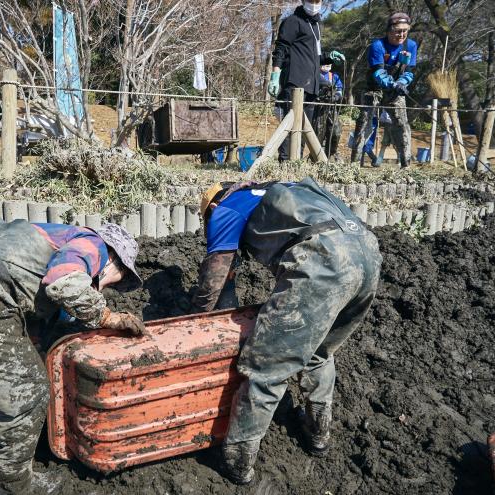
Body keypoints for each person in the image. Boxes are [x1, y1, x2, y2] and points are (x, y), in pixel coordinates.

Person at [0, 217, 145, 494]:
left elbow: (31, 318)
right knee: (30, 392)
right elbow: (64, 282)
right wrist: (108, 317)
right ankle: (16, 483)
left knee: (2, 386)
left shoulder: (46, 245)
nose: (108, 288)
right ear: (116, 260)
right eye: (121, 280)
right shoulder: (93, 244)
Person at [192, 178, 382, 484]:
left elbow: (215, 276)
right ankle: (317, 431)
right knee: (319, 351)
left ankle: (237, 462)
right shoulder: (275, 190)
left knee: (267, 366)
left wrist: (198, 321)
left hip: (323, 259)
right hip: (367, 252)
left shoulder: (224, 210)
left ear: (212, 207)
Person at [268, 1, 343, 161]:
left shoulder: (316, 25)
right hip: (294, 83)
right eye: (311, 0)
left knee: (304, 130)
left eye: (318, 1)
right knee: (289, 129)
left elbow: (312, 57)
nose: (314, 4)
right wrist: (275, 75)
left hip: (312, 86)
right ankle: (285, 166)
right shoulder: (292, 21)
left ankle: (296, 165)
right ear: (303, 1)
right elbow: (281, 48)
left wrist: (328, 57)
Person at [351, 12, 417, 168]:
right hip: (374, 87)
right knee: (365, 121)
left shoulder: (411, 45)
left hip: (395, 90)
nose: (401, 34)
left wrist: (402, 82)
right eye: (398, 31)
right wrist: (392, 83)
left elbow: (410, 70)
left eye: (405, 31)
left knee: (402, 124)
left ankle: (405, 164)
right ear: (389, 30)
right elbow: (377, 71)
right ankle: (354, 163)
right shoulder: (377, 46)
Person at [316, 55, 345, 157]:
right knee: (319, 135)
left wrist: (336, 96)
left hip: (332, 109)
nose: (327, 64)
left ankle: (329, 154)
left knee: (336, 133)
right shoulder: (315, 75)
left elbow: (340, 91)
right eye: (325, 62)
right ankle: (316, 158)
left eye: (329, 62)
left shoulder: (334, 76)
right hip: (318, 109)